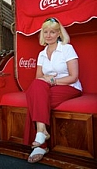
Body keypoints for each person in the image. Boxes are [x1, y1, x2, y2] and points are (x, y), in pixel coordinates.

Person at [24, 18, 82, 163]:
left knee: (35, 98)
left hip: (68, 87)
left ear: (58, 34)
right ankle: (41, 131)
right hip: (47, 87)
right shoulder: (41, 54)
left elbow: (73, 77)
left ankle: (41, 145)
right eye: (46, 32)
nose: (48, 35)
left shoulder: (67, 48)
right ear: (42, 34)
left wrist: (52, 80)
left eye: (52, 32)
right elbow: (38, 79)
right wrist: (47, 79)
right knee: (36, 90)